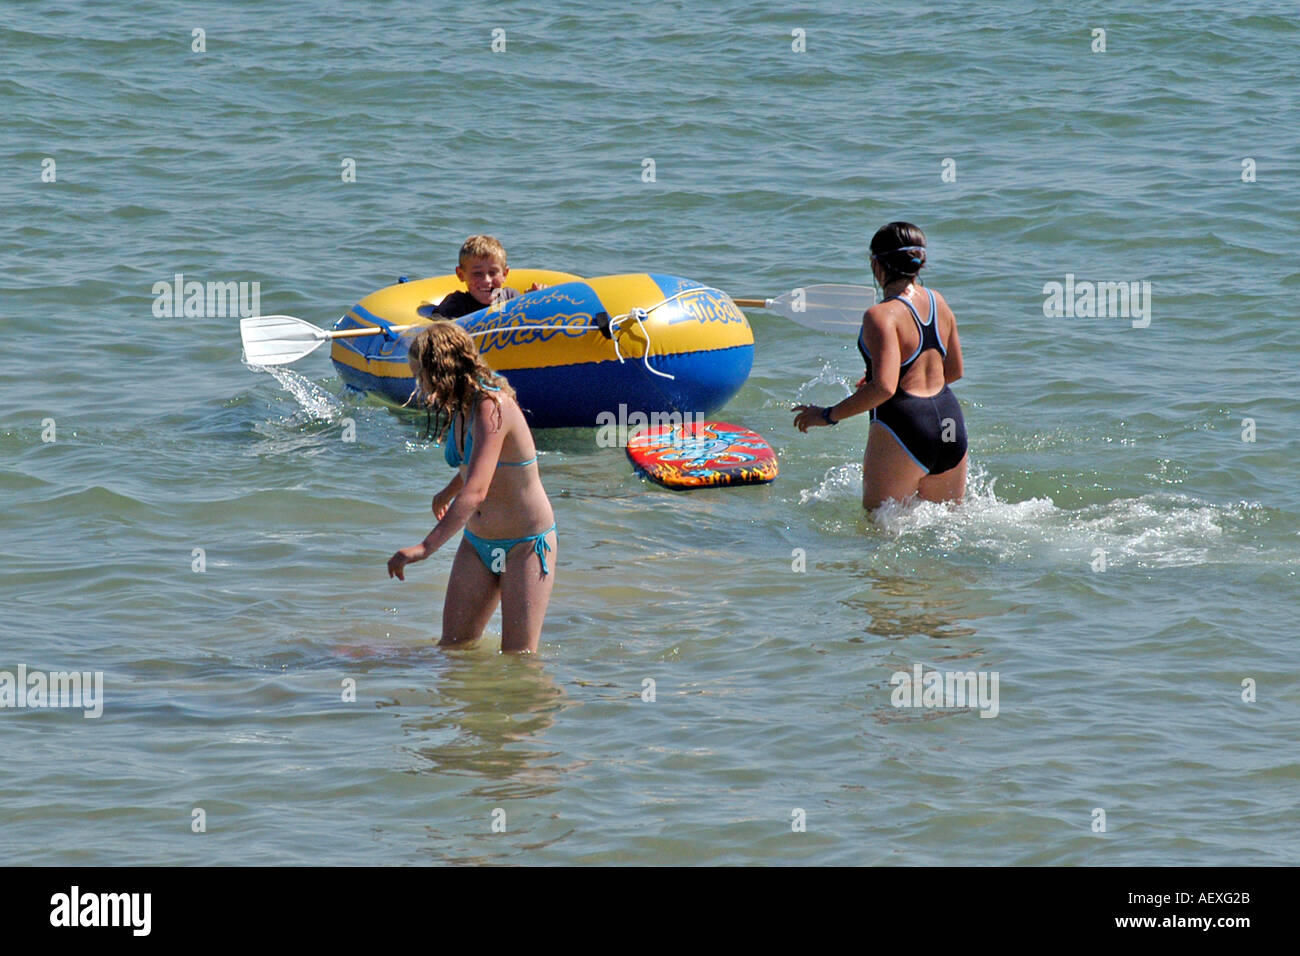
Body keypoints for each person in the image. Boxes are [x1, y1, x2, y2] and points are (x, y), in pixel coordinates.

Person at [387, 322, 557, 652]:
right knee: (453, 649)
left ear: (443, 370)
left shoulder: (492, 406)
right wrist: (449, 490)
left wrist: (425, 548)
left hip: (525, 546)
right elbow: (478, 464)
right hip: (479, 543)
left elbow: (477, 489)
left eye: (421, 375)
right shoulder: (463, 406)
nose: (420, 386)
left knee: (518, 659)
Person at [793, 222, 968, 510]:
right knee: (947, 531)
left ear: (877, 264)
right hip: (950, 423)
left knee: (878, 536)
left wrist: (827, 415)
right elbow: (954, 371)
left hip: (904, 424)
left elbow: (885, 388)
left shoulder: (880, 315)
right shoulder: (938, 301)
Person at [428, 235, 543, 319]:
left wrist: (536, 300)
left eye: (493, 273)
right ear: (461, 274)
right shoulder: (456, 304)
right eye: (477, 274)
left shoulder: (510, 298)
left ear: (504, 274)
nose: (486, 281)